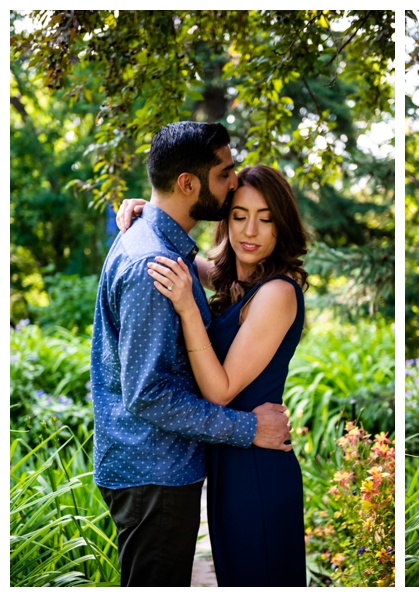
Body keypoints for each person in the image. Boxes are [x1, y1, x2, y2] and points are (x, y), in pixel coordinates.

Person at [90, 121, 292, 587]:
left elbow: (220, 275)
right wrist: (248, 427)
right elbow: (149, 395)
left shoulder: (157, 244)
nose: (233, 182)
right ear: (188, 184)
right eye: (224, 174)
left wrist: (143, 210)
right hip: (153, 471)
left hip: (154, 468)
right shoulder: (152, 266)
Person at [144, 164, 308, 586]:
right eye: (239, 216)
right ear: (226, 220)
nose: (250, 230)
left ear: (281, 227)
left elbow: (219, 391)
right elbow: (197, 263)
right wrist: (148, 212)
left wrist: (186, 308)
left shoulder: (276, 293)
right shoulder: (239, 280)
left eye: (265, 219)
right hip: (231, 459)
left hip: (258, 468)